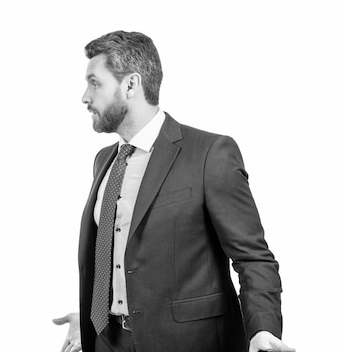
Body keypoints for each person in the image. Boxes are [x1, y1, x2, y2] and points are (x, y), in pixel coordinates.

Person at [53, 31, 294, 352]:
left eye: (94, 82)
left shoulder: (209, 154)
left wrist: (262, 329)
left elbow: (253, 258)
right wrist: (92, 317)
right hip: (107, 340)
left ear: (130, 85)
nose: (85, 96)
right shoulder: (104, 161)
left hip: (188, 343)